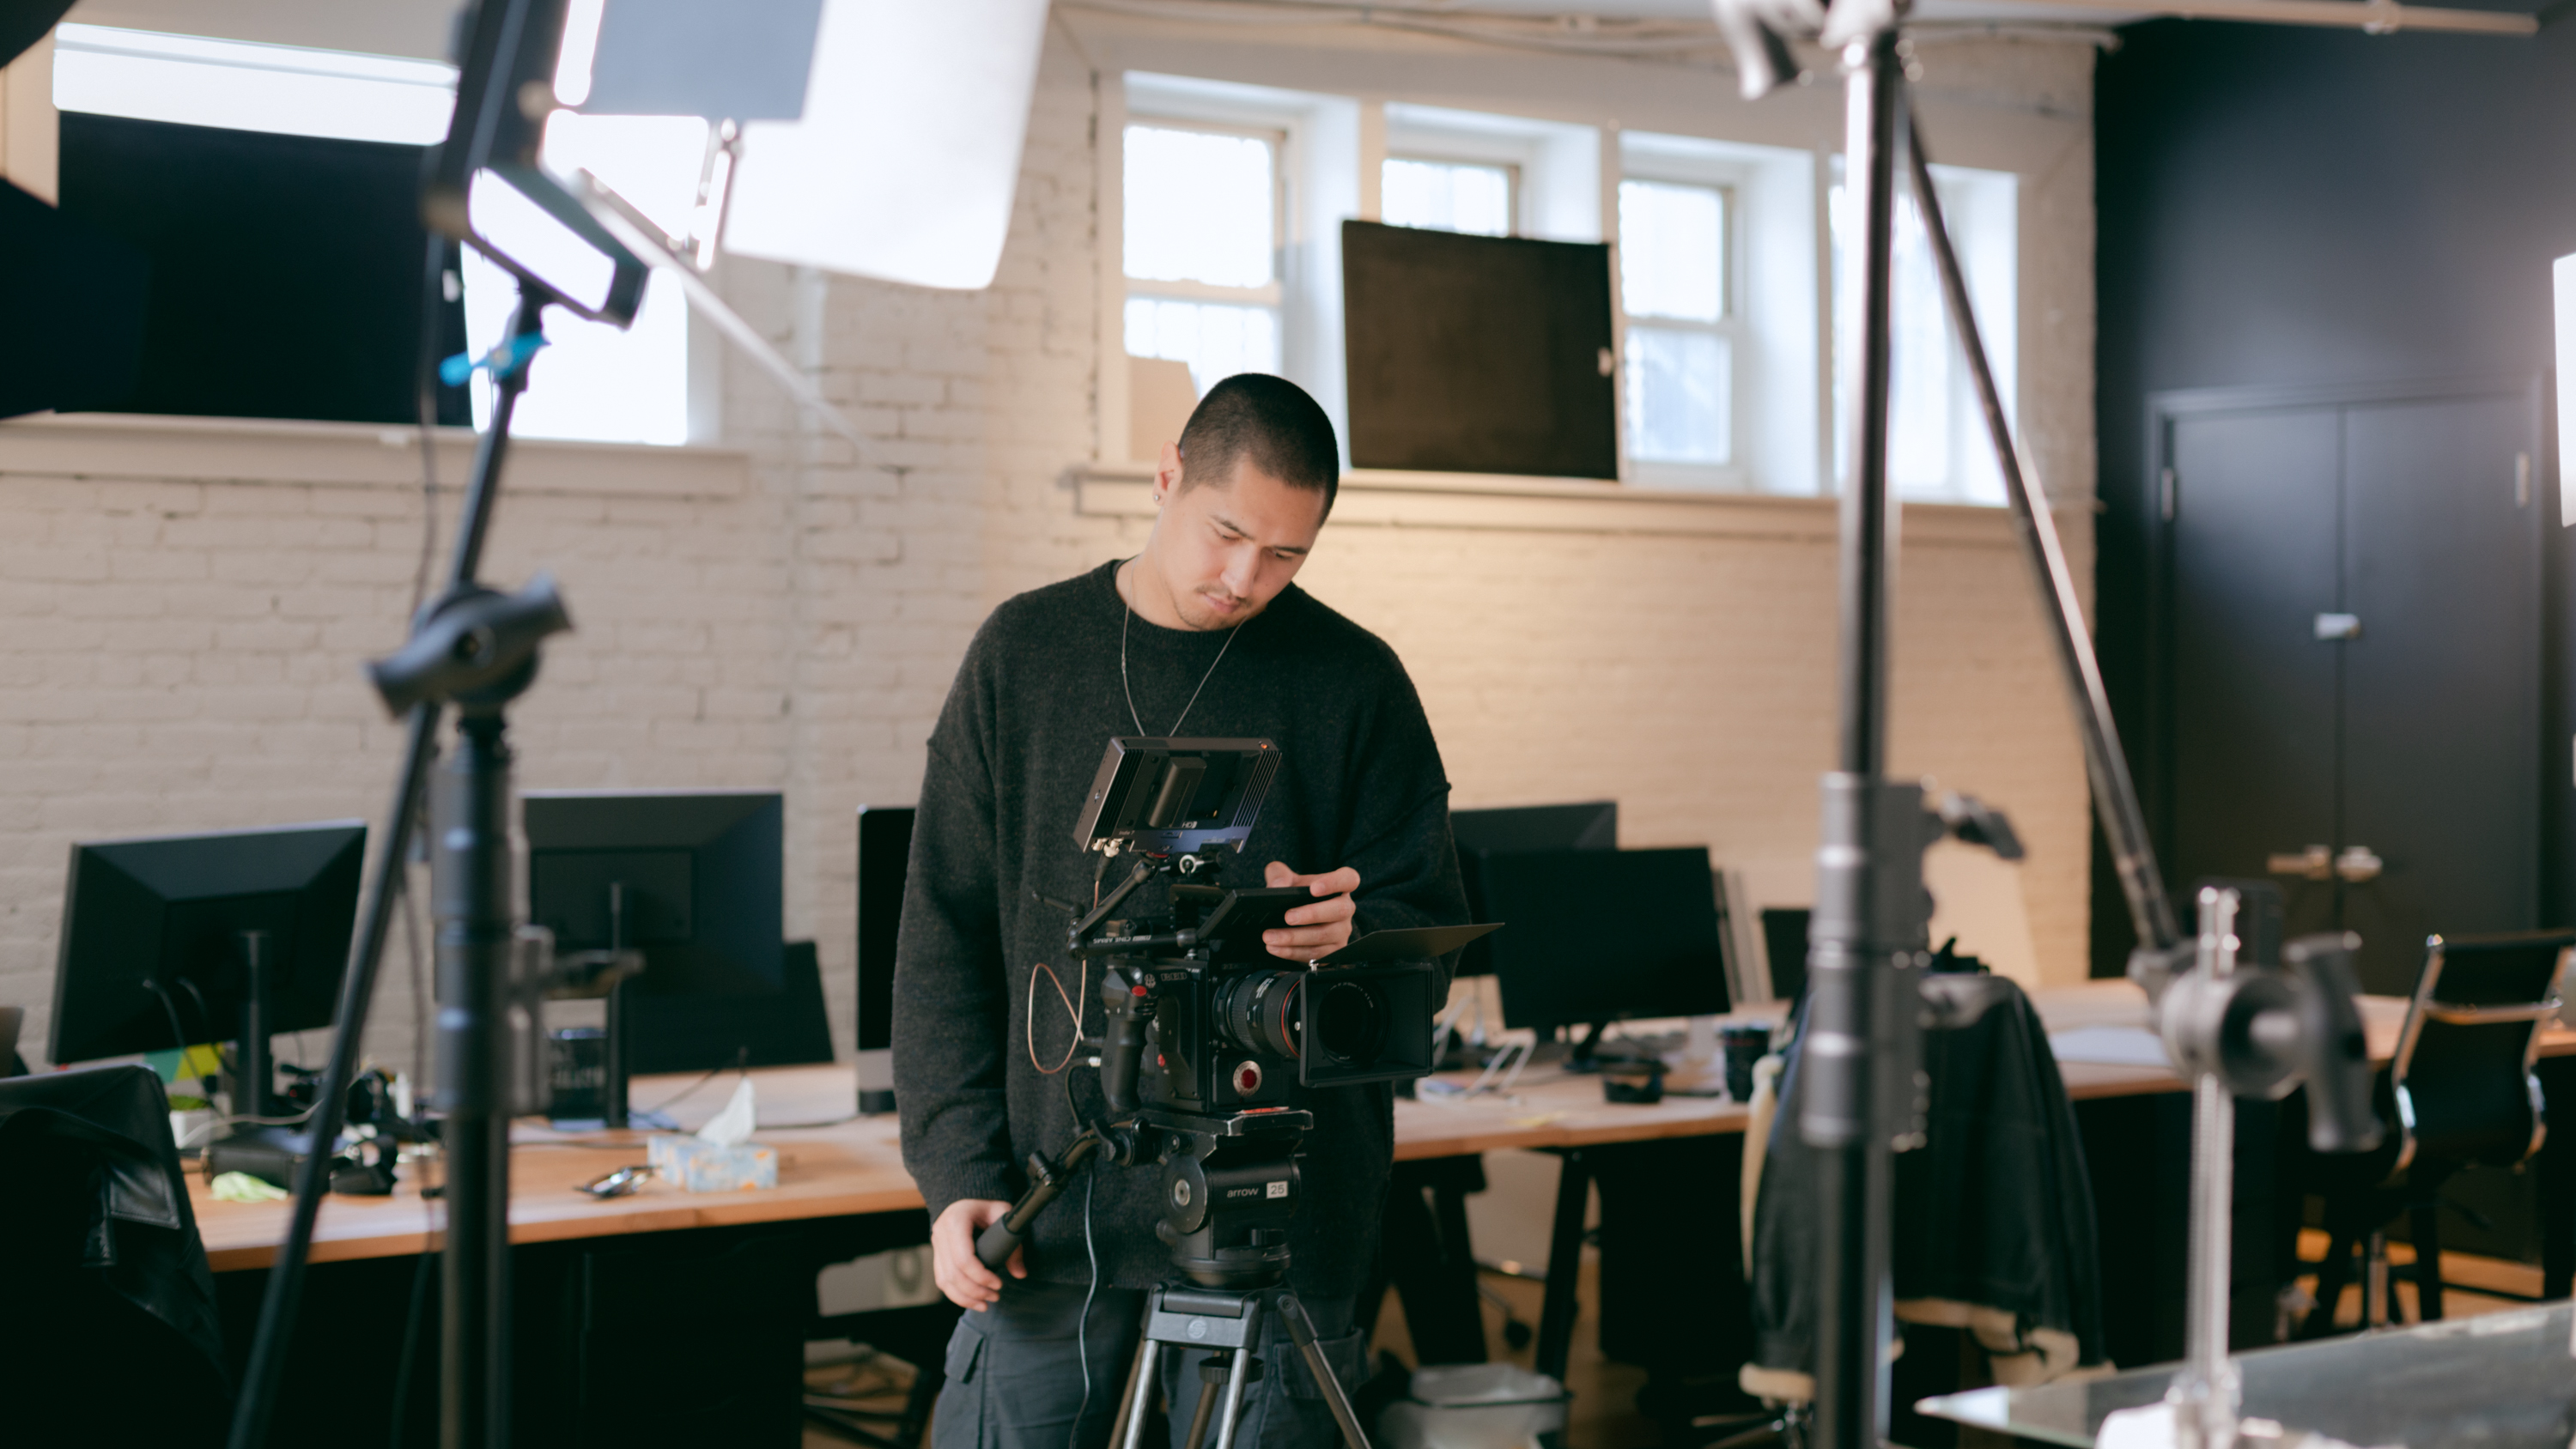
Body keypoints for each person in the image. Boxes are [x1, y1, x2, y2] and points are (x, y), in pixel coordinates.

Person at [893, 373, 1469, 1449]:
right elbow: (943, 937)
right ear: (1166, 477)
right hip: (1052, 1215)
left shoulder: (1356, 680)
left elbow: (1424, 938)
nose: (1246, 577)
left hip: (1282, 1225)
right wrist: (957, 1174)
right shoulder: (1024, 655)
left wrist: (1357, 935)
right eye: (1227, 533)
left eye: (1287, 554)